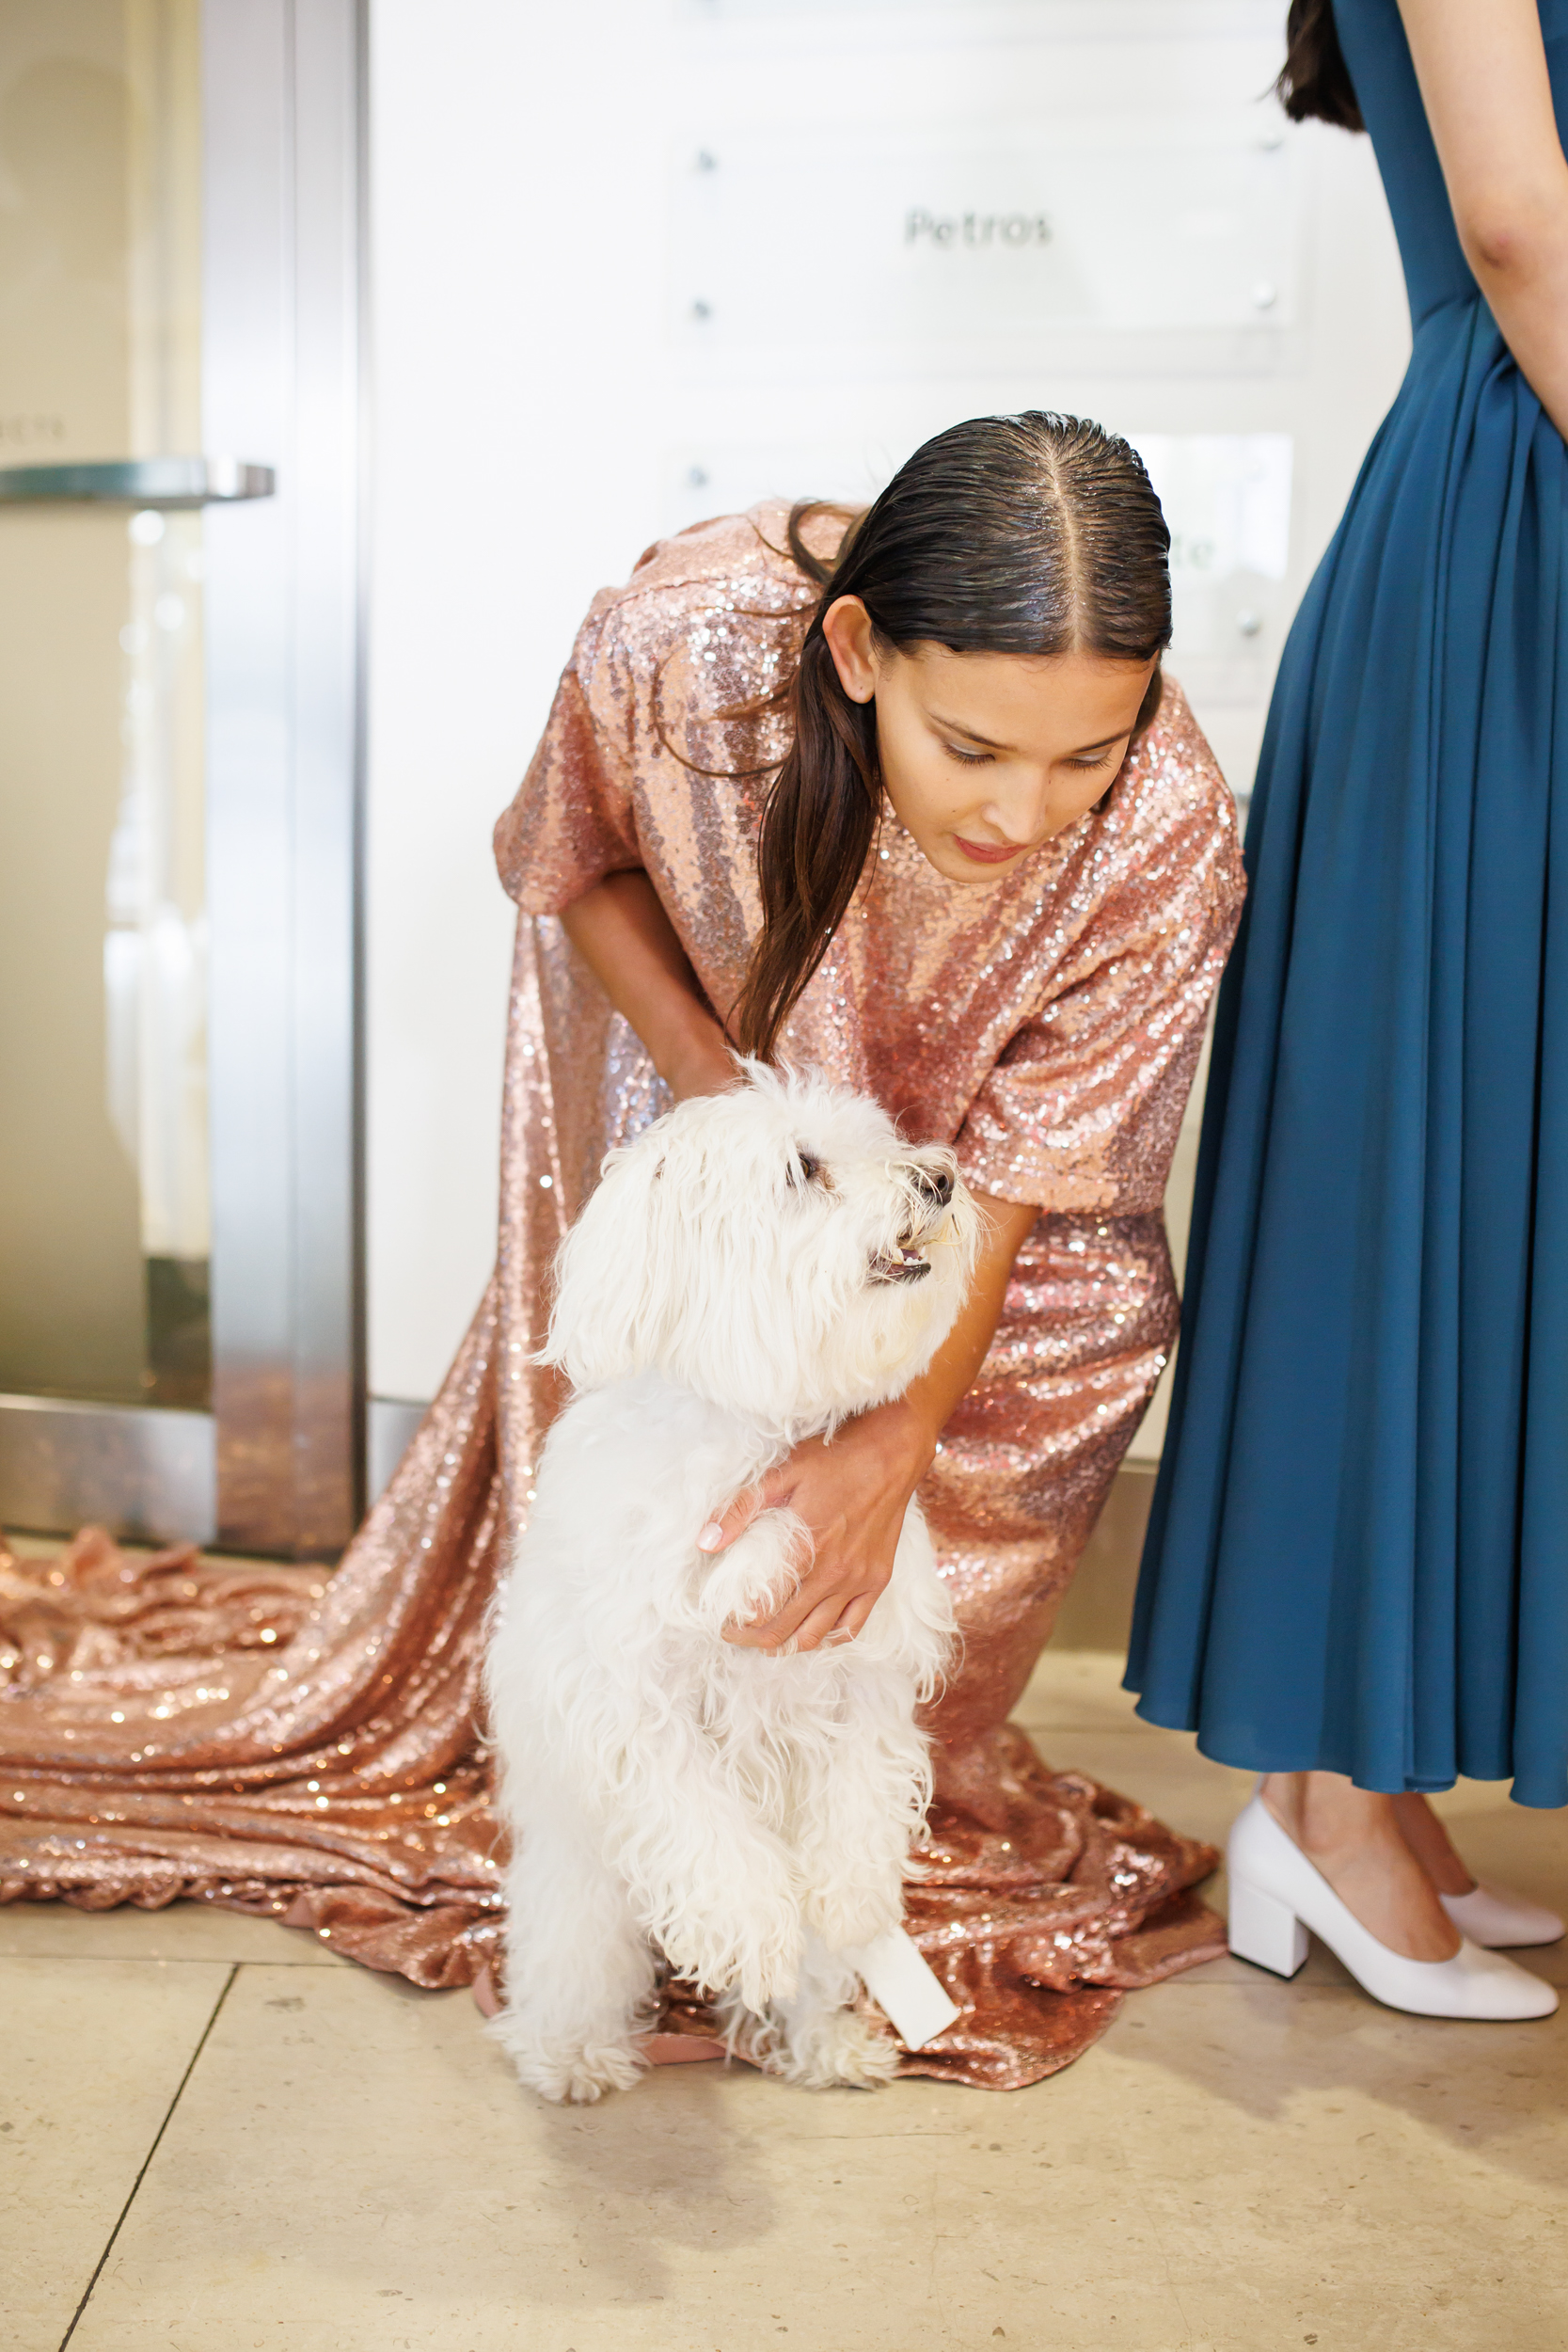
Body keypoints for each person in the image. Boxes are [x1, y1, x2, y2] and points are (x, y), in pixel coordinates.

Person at [0, 413, 1244, 2088]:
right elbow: (566, 856)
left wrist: (889, 1448)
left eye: (1083, 757)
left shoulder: (1169, 823)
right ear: (861, 652)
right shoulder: (689, 640)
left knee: (904, 1581)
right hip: (701, 1054)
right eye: (975, 747)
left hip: (975, 1176)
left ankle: (831, 1888)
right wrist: (729, 1102)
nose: (1027, 813)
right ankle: (658, 1863)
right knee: (668, 1478)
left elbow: (1024, 1171)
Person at [1127, 0, 1568, 2020]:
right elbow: (1523, 224)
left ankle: (1365, 1773)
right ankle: (1328, 1788)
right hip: (1521, 513)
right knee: (1433, 1161)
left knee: (1473, 1155)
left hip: (1517, 498)